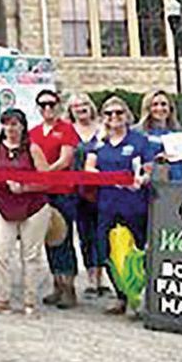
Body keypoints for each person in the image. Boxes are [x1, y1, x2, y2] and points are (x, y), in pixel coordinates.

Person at [85, 96, 151, 316]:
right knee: (107, 251)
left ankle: (141, 297)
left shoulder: (139, 140)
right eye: (109, 113)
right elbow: (89, 168)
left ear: (127, 115)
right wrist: (101, 177)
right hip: (107, 205)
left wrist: (141, 179)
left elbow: (148, 168)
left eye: (119, 113)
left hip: (135, 205)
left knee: (138, 250)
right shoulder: (99, 141)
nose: (114, 117)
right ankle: (121, 296)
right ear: (103, 117)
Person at [0, 109, 54, 317]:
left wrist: (25, 187)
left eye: (15, 124)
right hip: (4, 205)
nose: (11, 128)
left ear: (23, 126)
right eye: (6, 124)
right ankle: (2, 299)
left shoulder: (33, 149)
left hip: (33, 206)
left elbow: (47, 180)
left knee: (31, 255)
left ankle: (30, 302)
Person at [29, 89, 82, 310]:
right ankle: (56, 284)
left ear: (58, 106)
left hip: (62, 190)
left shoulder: (67, 129)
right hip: (42, 193)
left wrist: (45, 173)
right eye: (42, 105)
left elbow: (65, 159)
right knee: (49, 239)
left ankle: (69, 287)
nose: (47, 109)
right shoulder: (33, 132)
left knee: (65, 238)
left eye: (51, 104)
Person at [68, 92, 109, 297]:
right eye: (76, 105)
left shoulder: (103, 129)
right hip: (76, 190)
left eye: (84, 103)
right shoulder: (68, 131)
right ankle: (92, 279)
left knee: (101, 232)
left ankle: (102, 277)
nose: (80, 108)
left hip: (101, 190)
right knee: (85, 235)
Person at [137, 89, 182, 182]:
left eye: (164, 104)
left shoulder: (179, 132)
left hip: (178, 181)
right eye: (155, 104)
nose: (160, 108)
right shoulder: (138, 133)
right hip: (149, 182)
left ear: (170, 108)